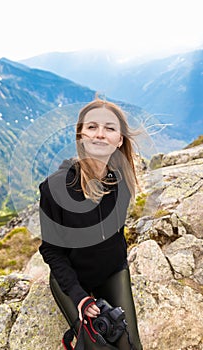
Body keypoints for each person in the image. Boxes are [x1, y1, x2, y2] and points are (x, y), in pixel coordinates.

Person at [39, 97, 143, 349]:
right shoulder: (55, 188)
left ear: (119, 139)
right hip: (72, 279)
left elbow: (117, 234)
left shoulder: (122, 181)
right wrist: (80, 297)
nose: (100, 135)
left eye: (109, 128)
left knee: (130, 345)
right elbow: (51, 250)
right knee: (98, 346)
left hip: (112, 270)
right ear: (81, 135)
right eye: (92, 127)